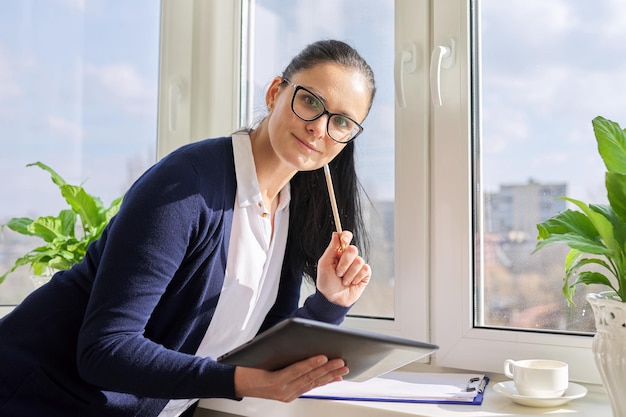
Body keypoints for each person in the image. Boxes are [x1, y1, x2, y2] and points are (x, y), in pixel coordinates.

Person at [0, 39, 376, 417]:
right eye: (310, 101)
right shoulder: (185, 187)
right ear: (275, 93)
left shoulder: (291, 212)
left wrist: (330, 303)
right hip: (31, 398)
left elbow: (266, 350)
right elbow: (105, 350)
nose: (319, 129)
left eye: (341, 122)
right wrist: (237, 381)